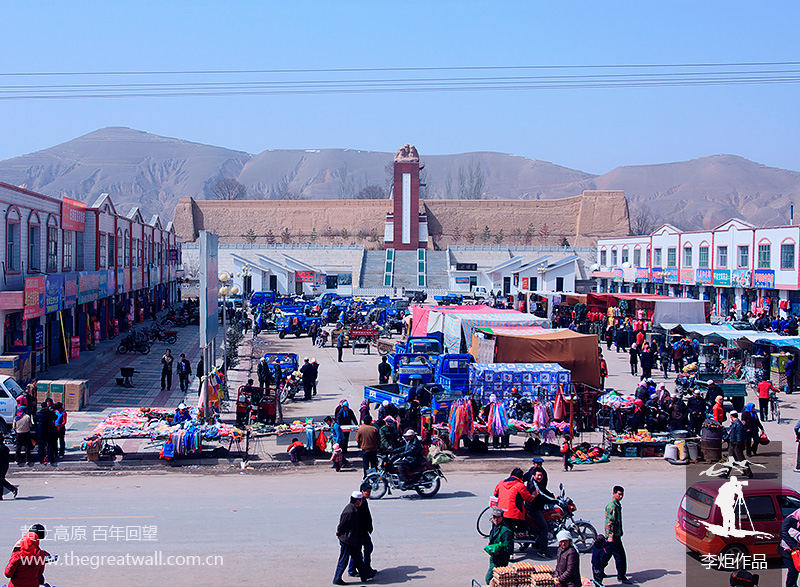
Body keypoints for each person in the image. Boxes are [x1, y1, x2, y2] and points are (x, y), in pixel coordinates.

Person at [333, 491, 374, 585]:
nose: (361, 502)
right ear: (357, 501)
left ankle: (364, 576)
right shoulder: (349, 511)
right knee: (343, 560)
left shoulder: (354, 508)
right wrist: (339, 533)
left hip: (353, 539)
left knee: (358, 558)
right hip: (347, 540)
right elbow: (342, 525)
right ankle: (337, 579)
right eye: (360, 500)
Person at [493, 467, 537, 534]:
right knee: (524, 519)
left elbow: (495, 494)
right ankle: (522, 533)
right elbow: (529, 499)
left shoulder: (501, 483)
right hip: (515, 515)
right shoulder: (520, 486)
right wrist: (534, 496)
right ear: (521, 477)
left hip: (501, 513)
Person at [527, 467, 558, 559]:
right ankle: (542, 551)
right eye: (538, 475)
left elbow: (544, 491)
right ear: (534, 476)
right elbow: (542, 497)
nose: (540, 477)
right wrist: (555, 501)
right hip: (533, 510)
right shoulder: (534, 485)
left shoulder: (538, 484)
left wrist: (553, 496)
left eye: (541, 475)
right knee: (545, 527)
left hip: (537, 508)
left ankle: (537, 543)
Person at [348, 481, 377, 579]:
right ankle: (352, 570)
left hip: (365, 531)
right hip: (359, 532)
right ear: (362, 491)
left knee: (368, 548)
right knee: (357, 551)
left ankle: (367, 567)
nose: (368, 494)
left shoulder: (364, 501)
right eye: (367, 492)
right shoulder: (358, 503)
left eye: (369, 492)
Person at [604, 485, 631, 584]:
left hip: (616, 535)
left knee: (607, 555)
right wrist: (610, 536)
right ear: (614, 493)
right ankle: (621, 576)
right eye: (619, 494)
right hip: (613, 536)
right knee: (620, 556)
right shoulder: (612, 506)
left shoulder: (617, 504)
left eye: (622, 494)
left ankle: (598, 570)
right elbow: (610, 522)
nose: (621, 496)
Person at [484, 507, 514, 584]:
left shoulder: (506, 532)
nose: (496, 519)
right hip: (494, 558)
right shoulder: (495, 527)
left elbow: (509, 549)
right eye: (494, 517)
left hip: (501, 560)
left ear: (502, 517)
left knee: (489, 578)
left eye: (498, 517)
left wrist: (498, 552)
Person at [727, 411, 752, 476]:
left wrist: (737, 442)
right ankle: (725, 473)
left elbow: (739, 435)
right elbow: (731, 433)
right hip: (734, 442)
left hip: (736, 443)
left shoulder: (737, 424)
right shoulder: (735, 423)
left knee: (740, 458)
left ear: (731, 416)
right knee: (731, 458)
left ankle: (748, 472)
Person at [780, 508, 800, 587]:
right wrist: (793, 545)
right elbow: (783, 532)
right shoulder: (789, 520)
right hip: (786, 550)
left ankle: (793, 585)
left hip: (796, 550)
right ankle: (790, 585)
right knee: (793, 570)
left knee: (796, 569)